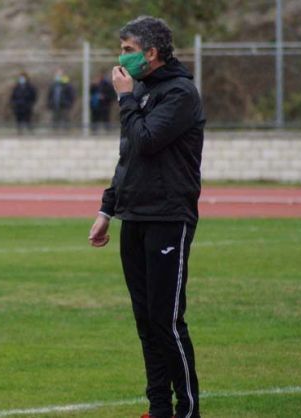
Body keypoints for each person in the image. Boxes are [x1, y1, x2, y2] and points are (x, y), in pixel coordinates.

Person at [88, 16, 205, 418]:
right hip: (133, 216)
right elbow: (129, 156)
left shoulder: (180, 93)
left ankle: (187, 410)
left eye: (128, 50)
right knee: (144, 320)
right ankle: (159, 408)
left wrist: (125, 99)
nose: (121, 58)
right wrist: (107, 208)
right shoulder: (141, 92)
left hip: (168, 216)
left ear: (151, 53)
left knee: (166, 320)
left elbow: (148, 141)